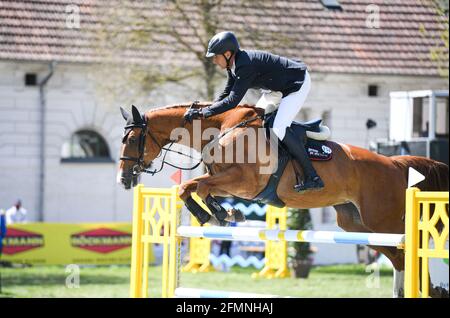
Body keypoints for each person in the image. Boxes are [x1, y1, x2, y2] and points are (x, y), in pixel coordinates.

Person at [184, 31, 324, 192]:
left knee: (278, 128)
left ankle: (312, 176)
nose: (214, 60)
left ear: (227, 54)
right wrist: (203, 111)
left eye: (216, 56)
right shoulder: (234, 65)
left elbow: (232, 101)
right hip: (277, 88)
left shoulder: (245, 66)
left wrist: (203, 113)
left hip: (296, 84)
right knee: (255, 120)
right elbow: (225, 95)